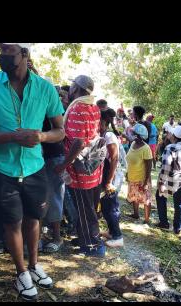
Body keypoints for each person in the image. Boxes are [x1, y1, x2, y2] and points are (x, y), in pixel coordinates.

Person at [0, 43, 64, 300]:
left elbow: (60, 130)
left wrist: (41, 135)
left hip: (35, 166)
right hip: (1, 168)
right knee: (12, 222)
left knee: (34, 219)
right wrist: (12, 137)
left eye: (8, 50)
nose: (2, 55)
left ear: (24, 53)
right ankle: (21, 272)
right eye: (0, 49)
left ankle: (33, 265)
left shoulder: (45, 88)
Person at [54, 75, 106, 257]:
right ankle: (85, 238)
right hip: (92, 167)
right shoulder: (93, 107)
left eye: (72, 85)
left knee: (84, 209)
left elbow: (77, 143)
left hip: (80, 169)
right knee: (88, 206)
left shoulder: (77, 108)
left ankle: (93, 245)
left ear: (76, 88)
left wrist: (63, 165)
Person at [40, 81, 71, 254]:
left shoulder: (53, 107)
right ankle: (44, 234)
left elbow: (59, 132)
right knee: (42, 197)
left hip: (53, 157)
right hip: (42, 157)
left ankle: (57, 237)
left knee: (54, 197)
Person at [156, 126, 181, 235]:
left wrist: (161, 182)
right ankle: (178, 227)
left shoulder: (170, 148)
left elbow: (166, 167)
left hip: (173, 180)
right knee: (180, 203)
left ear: (173, 135)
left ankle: (164, 223)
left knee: (160, 196)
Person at [99, 108, 126, 247]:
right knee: (105, 205)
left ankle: (118, 237)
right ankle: (111, 231)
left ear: (103, 121)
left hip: (113, 175)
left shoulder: (109, 135)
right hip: (107, 174)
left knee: (111, 206)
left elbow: (114, 158)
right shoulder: (103, 134)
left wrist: (109, 181)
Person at [126, 124, 153, 224]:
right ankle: (136, 214)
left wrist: (146, 182)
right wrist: (127, 173)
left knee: (146, 199)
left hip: (142, 179)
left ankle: (146, 219)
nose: (131, 134)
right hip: (132, 177)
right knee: (134, 196)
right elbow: (130, 160)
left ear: (138, 136)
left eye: (133, 133)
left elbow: (149, 167)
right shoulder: (133, 144)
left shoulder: (146, 149)